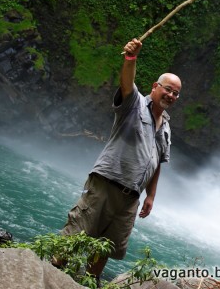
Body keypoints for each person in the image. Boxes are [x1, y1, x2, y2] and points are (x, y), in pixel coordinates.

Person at [58, 38, 182, 280]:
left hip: (130, 200)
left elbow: (157, 163)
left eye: (176, 93)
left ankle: (88, 283)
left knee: (104, 249)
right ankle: (47, 273)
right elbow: (126, 83)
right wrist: (130, 58)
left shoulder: (166, 127)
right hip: (106, 184)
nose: (171, 95)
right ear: (155, 86)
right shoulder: (134, 105)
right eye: (167, 89)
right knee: (75, 236)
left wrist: (151, 195)